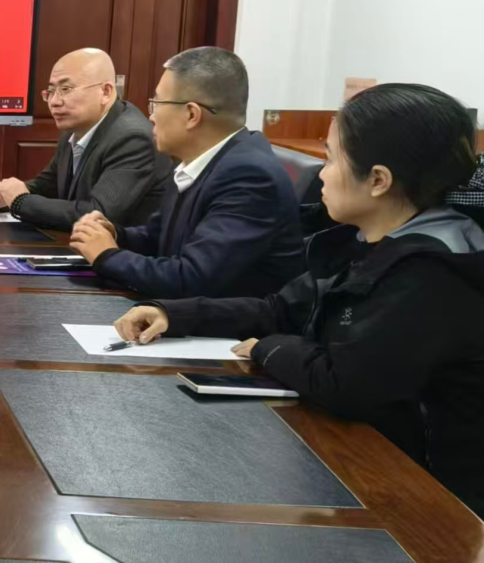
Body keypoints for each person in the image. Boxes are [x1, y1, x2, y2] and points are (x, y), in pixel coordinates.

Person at [112, 83, 484, 514]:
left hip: (425, 498)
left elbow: (347, 384)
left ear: (378, 180)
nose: (320, 174)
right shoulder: (364, 240)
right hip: (359, 458)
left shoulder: (432, 271)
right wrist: (174, 314)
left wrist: (269, 347)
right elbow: (281, 308)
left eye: (331, 158)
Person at [69, 47, 304, 298]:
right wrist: (115, 235)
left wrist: (107, 255)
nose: (151, 116)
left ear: (191, 114)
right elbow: (158, 237)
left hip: (229, 321)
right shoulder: (198, 160)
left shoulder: (249, 177)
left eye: (157, 103)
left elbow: (192, 279)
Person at [0, 48, 171, 230]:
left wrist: (20, 201)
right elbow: (49, 185)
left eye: (66, 89)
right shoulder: (74, 128)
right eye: (51, 91)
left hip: (124, 250)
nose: (54, 102)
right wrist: (5, 196)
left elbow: (98, 214)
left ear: (105, 92)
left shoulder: (132, 138)